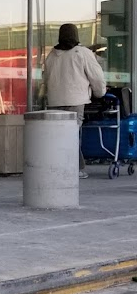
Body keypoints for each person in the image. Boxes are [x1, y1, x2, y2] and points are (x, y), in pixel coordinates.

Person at [41, 23, 106, 178]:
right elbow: (96, 77)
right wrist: (100, 93)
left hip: (55, 101)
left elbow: (46, 77)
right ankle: (74, 168)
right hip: (76, 100)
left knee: (58, 135)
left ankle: (59, 166)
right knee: (71, 134)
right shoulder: (82, 53)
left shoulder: (52, 55)